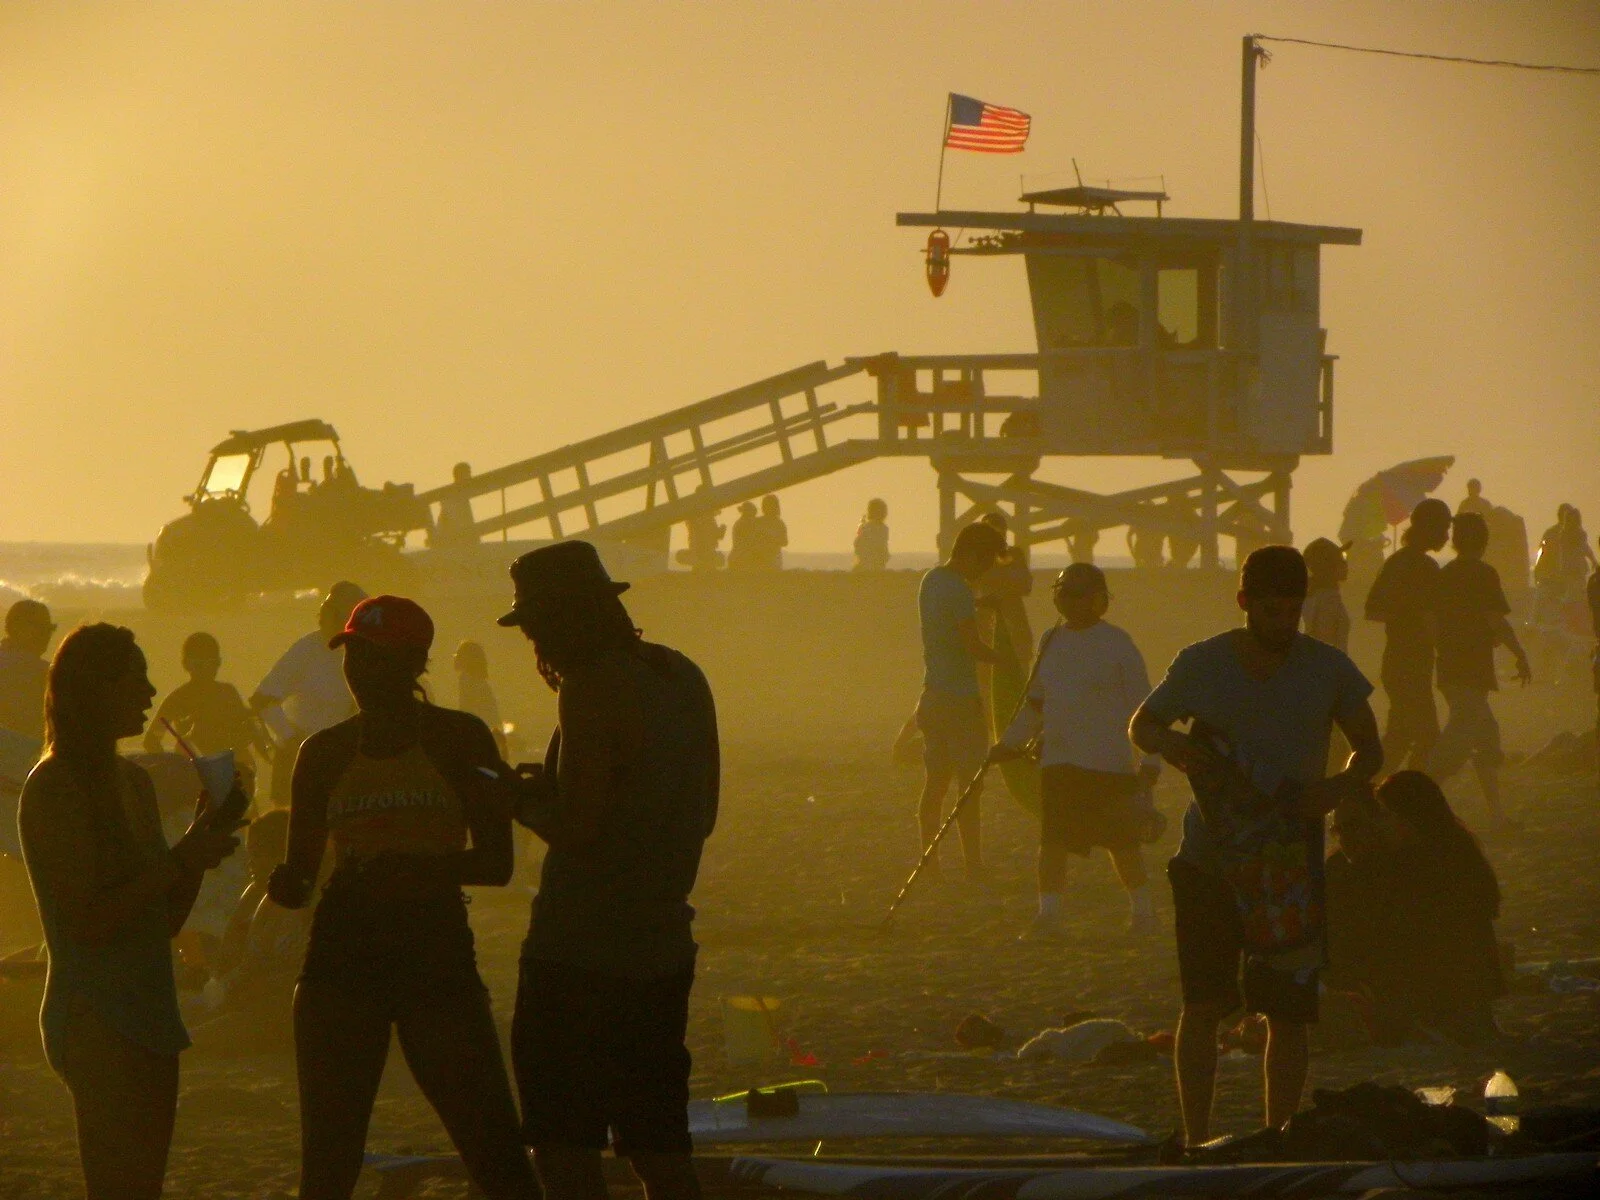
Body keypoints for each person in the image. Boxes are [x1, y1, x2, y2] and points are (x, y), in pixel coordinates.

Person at [265, 595, 537, 1200]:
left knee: (495, 1151)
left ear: (415, 663)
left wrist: (419, 871)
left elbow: (497, 864)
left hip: (435, 958)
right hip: (340, 960)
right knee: (329, 1163)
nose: (359, 672)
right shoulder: (322, 753)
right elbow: (299, 882)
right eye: (353, 655)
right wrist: (270, 876)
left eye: (376, 658)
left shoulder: (458, 738)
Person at [1130, 546, 1382, 1145]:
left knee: (1287, 1013)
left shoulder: (1328, 668)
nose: (1284, 624)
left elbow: (1370, 749)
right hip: (1209, 860)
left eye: (1293, 611)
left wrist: (1338, 788)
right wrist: (1173, 746)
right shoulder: (1202, 663)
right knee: (1202, 1006)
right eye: (1272, 611)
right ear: (1245, 602)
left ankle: (1278, 1138)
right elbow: (1143, 723)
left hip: (1289, 865)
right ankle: (1196, 1139)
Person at [496, 540, 718, 1200]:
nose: (533, 641)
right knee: (659, 1148)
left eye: (536, 626)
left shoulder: (590, 686)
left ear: (561, 621)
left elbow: (580, 830)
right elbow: (691, 806)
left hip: (581, 949)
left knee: (564, 1149)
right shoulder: (680, 675)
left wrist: (516, 801)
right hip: (663, 941)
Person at [18, 623, 243, 1199]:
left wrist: (198, 847)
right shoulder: (54, 787)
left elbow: (162, 919)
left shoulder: (134, 782)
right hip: (95, 1011)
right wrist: (182, 859)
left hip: (149, 1009)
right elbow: (88, 921)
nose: (149, 691)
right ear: (95, 688)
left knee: (143, 1186)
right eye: (135, 677)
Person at [990, 565, 1162, 937]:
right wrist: (1010, 743)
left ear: (1100, 600)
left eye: (1079, 594)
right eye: (1064, 593)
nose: (1070, 601)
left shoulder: (1118, 643)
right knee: (1052, 842)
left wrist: (1151, 759)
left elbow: (1143, 705)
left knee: (1123, 845)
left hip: (1109, 763)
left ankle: (1144, 913)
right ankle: (1048, 917)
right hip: (1059, 761)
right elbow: (1035, 702)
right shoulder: (1050, 640)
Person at [1373, 771, 1504, 1044]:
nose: (1381, 822)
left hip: (1454, 979)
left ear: (1408, 816)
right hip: (1465, 981)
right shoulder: (1449, 846)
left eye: (1387, 814)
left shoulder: (1435, 858)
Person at [914, 522, 1007, 880]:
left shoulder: (932, 580)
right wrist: (1005, 660)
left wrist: (979, 602)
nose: (983, 572)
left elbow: (946, 614)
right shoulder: (960, 589)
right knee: (969, 787)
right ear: (971, 555)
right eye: (984, 563)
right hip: (961, 700)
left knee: (935, 784)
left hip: (932, 695)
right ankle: (973, 864)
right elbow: (972, 645)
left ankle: (930, 862)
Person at [1428, 512, 1531, 831]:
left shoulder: (1445, 574)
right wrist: (1519, 654)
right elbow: (1495, 620)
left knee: (1484, 737)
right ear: (1484, 541)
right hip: (1472, 667)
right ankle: (1420, 797)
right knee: (1460, 738)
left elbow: (1433, 622)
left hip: (1450, 666)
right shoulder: (1484, 574)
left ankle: (1496, 814)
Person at [251, 581, 366, 806]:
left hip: (343, 762)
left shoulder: (363, 653)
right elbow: (262, 699)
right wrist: (292, 741)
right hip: (298, 765)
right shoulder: (307, 649)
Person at [1364, 498, 1451, 771]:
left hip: (1399, 663)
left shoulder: (1398, 562)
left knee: (1399, 737)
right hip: (1410, 665)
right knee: (1428, 739)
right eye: (1443, 528)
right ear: (1430, 529)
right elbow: (1428, 619)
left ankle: (1369, 787)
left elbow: (1373, 610)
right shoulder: (1424, 567)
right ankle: (1407, 789)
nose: (1447, 536)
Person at [143, 632, 267, 774]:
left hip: (232, 771)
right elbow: (152, 740)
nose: (207, 670)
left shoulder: (227, 693)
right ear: (186, 664)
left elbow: (246, 726)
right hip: (197, 774)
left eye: (212, 663)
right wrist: (174, 767)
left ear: (219, 663)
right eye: (200, 665)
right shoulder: (178, 699)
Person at [0, 598, 54, 738]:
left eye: (49, 630)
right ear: (18, 629)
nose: (47, 635)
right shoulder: (46, 674)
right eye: (42, 629)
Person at [454, 640, 507, 758]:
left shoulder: (468, 681)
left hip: (479, 735)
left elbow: (467, 711)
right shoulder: (480, 683)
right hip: (485, 734)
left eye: (460, 655)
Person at [1300, 538, 1350, 653]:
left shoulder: (1316, 594)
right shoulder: (1326, 599)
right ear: (1327, 567)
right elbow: (1323, 641)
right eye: (1340, 560)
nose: (1346, 564)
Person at [431, 462, 479, 549]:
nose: (470, 477)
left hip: (457, 540)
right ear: (459, 475)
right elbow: (455, 521)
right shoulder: (452, 496)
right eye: (468, 473)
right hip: (454, 542)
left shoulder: (459, 494)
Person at [677, 489, 726, 572]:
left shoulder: (693, 515)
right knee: (707, 570)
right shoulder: (707, 518)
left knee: (699, 570)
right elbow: (716, 535)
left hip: (699, 551)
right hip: (706, 551)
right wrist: (722, 528)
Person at [853, 499, 890, 571]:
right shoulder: (866, 528)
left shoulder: (884, 529)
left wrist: (884, 556)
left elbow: (883, 548)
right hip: (866, 567)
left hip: (878, 566)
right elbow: (858, 545)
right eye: (882, 511)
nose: (885, 514)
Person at [753, 494, 788, 570]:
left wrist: (770, 536)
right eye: (766, 505)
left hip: (773, 561)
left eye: (771, 505)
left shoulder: (779, 523)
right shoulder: (757, 522)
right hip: (758, 561)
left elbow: (785, 542)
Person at [726, 502, 760, 571]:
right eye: (753, 514)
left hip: (737, 558)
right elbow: (749, 542)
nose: (754, 517)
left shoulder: (740, 523)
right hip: (742, 560)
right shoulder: (745, 524)